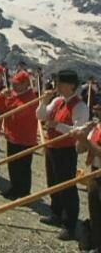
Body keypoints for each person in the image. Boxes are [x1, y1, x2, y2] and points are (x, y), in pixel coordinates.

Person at [36, 69, 89, 241]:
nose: (57, 85)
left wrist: (57, 125)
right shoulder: (58, 101)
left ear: (71, 86)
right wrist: (44, 102)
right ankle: (56, 213)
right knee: (53, 182)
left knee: (67, 187)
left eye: (60, 83)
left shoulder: (80, 106)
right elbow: (40, 116)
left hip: (66, 150)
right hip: (52, 146)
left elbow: (79, 131)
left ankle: (70, 225)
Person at [0, 71, 39, 199]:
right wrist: (2, 97)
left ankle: (23, 192)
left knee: (22, 167)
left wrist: (9, 100)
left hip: (24, 138)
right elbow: (1, 109)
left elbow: (19, 112)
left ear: (25, 84)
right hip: (12, 135)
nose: (14, 86)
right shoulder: (15, 95)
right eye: (13, 83)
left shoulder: (31, 98)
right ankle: (15, 188)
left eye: (17, 84)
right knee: (12, 165)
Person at [75, 107, 101, 252]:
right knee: (95, 211)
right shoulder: (96, 128)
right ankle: (97, 244)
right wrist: (82, 135)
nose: (97, 113)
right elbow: (80, 150)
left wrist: (87, 141)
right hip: (95, 173)